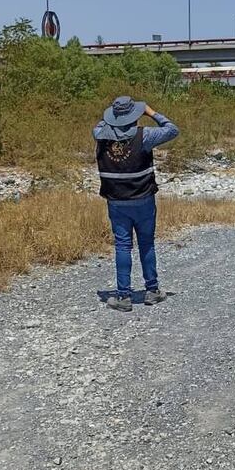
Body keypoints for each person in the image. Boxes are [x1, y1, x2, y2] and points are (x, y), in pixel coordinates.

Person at [93, 95, 179, 312]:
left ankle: (124, 295)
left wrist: (113, 117)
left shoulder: (100, 135)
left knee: (122, 246)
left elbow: (101, 125)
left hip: (116, 200)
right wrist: (151, 112)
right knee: (146, 244)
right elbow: (172, 129)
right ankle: (152, 290)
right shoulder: (145, 136)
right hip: (143, 199)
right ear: (135, 115)